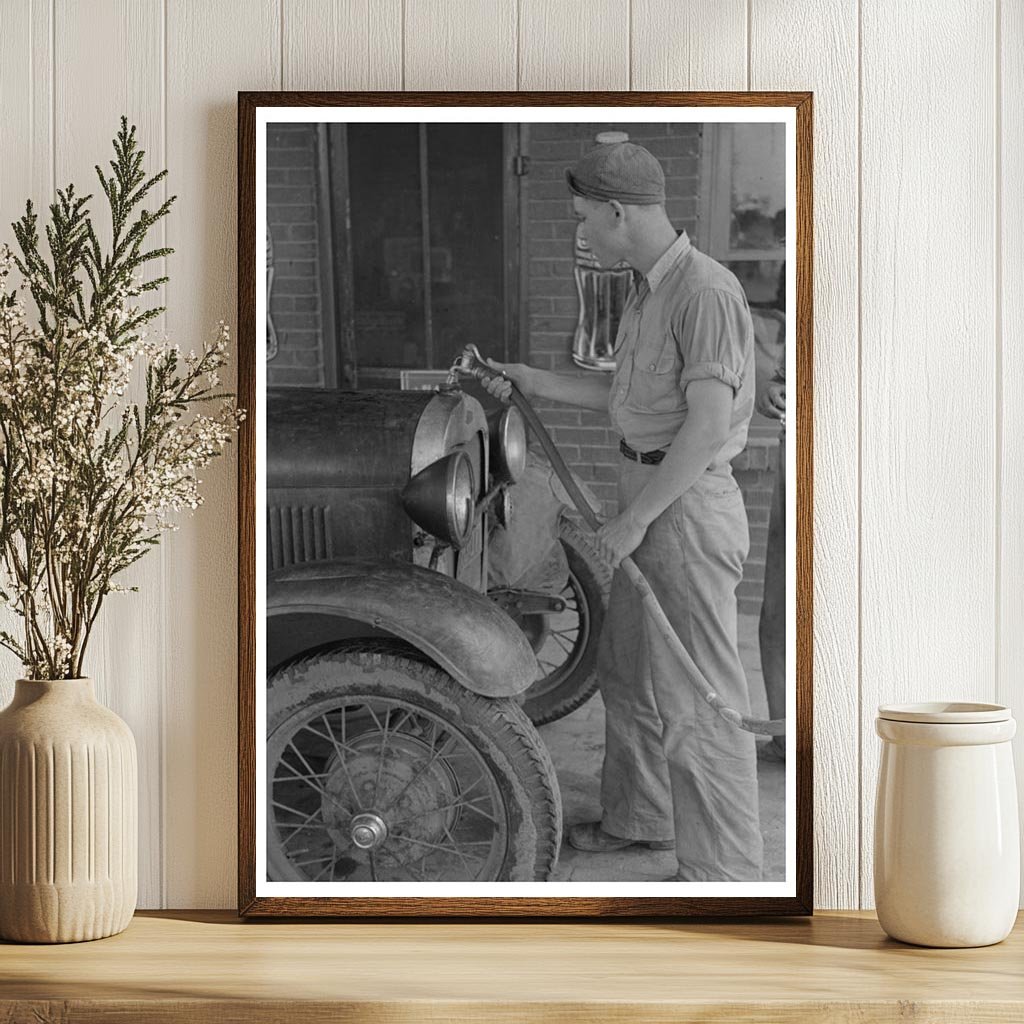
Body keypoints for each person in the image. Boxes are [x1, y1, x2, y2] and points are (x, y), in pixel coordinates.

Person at [483, 140, 763, 881]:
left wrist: (635, 522)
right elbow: (627, 399)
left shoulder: (705, 292)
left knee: (696, 698)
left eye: (584, 219)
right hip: (647, 498)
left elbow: (705, 426)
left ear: (617, 211)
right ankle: (642, 822)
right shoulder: (649, 287)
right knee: (630, 674)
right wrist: (529, 380)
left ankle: (724, 876)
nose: (581, 233)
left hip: (684, 511)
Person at [756, 345, 786, 762]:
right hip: (793, 470)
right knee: (777, 617)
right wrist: (771, 392)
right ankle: (784, 739)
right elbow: (777, 387)